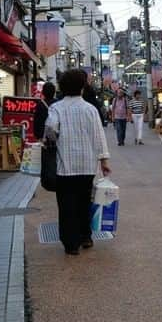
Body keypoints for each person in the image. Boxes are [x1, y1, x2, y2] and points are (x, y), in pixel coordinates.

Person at [45, 69, 111, 255]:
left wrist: (50, 139)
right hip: (87, 165)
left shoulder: (56, 108)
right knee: (84, 202)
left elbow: (50, 129)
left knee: (66, 205)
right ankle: (85, 236)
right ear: (82, 87)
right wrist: (104, 160)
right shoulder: (90, 109)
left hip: (65, 166)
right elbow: (99, 136)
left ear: (62, 88)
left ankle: (70, 243)